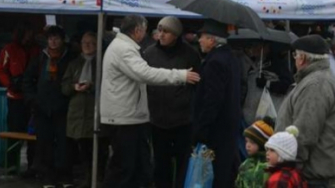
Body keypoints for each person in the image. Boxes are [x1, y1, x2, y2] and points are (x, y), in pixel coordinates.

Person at [101, 15, 199, 188]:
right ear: (138, 30)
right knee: (124, 167)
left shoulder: (126, 47)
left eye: (165, 31)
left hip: (145, 117)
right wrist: (181, 75)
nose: (158, 34)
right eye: (152, 30)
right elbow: (145, 73)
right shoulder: (125, 49)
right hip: (126, 117)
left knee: (139, 167)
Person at [276, 34, 335, 187]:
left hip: (308, 175)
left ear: (303, 58)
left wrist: (289, 169)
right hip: (308, 173)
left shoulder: (316, 84)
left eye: (295, 55)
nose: (294, 59)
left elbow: (304, 133)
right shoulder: (314, 79)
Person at [142, 17, 201, 188]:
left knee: (184, 163)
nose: (161, 35)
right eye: (159, 31)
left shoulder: (190, 54)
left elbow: (198, 83)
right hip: (157, 119)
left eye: (166, 31)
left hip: (183, 119)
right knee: (161, 164)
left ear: (176, 34)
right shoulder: (149, 53)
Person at [23, 25, 76, 188]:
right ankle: (47, 177)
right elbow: (27, 80)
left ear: (62, 40)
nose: (53, 42)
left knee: (64, 143)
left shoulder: (70, 58)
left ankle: (65, 176)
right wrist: (32, 99)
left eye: (56, 38)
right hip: (42, 108)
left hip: (63, 107)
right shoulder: (40, 58)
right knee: (44, 144)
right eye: (50, 38)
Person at [192, 19, 242, 188]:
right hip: (228, 128)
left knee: (214, 176)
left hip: (216, 131)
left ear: (212, 40)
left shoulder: (215, 62)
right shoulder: (230, 57)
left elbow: (213, 99)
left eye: (203, 37)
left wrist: (201, 128)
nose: (199, 40)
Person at [0, 24, 40, 175]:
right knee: (14, 130)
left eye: (31, 34)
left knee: (33, 132)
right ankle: (12, 164)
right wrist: (9, 83)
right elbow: (0, 70)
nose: (29, 37)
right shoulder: (9, 49)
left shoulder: (37, 49)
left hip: (32, 96)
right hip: (15, 96)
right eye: (26, 34)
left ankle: (32, 165)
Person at [62, 32, 104, 188]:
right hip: (77, 112)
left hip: (95, 110)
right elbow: (64, 87)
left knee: (99, 148)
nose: (87, 46)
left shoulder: (102, 63)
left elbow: (106, 85)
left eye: (92, 43)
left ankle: (98, 179)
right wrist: (74, 87)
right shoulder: (74, 64)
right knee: (82, 148)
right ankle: (87, 178)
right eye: (85, 42)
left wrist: (91, 87)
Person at [235, 117, 275, 188]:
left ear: (262, 144)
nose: (248, 145)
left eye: (252, 142)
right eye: (246, 141)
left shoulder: (269, 167)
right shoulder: (245, 164)